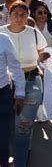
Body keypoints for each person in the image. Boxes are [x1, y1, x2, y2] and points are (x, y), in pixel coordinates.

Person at [0, 1, 49, 167]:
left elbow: (42, 53)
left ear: (28, 16)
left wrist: (42, 59)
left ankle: (20, 162)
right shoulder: (1, 35)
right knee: (8, 127)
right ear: (9, 15)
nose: (19, 18)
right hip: (8, 85)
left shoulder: (34, 33)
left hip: (31, 81)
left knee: (23, 127)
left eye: (23, 14)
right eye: (16, 14)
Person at [0, 32, 25, 167]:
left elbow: (15, 67)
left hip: (2, 93)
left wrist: (20, 93)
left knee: (3, 138)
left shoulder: (4, 39)